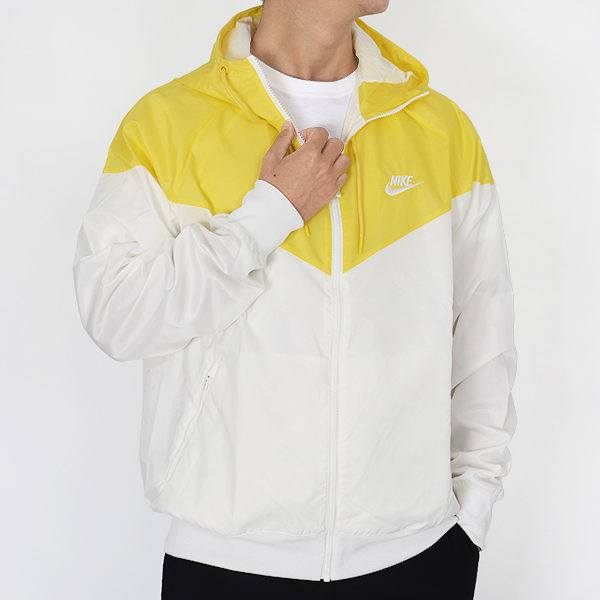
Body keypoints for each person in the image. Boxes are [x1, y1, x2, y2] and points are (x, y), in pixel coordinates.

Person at [72, 1, 517, 598]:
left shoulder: (440, 129)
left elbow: (484, 334)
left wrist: (472, 518)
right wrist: (268, 214)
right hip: (227, 561)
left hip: (418, 555)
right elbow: (117, 317)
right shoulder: (167, 122)